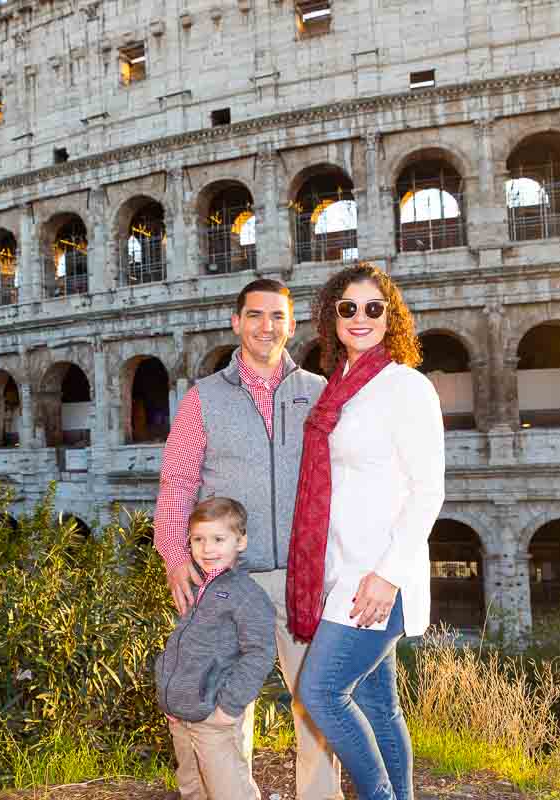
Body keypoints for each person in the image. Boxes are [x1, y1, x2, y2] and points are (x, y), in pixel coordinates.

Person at [155, 277, 339, 800]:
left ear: (292, 324)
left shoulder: (318, 392)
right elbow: (179, 480)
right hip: (227, 580)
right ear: (236, 323)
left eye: (277, 316)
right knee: (222, 705)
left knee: (316, 701)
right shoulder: (204, 398)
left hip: (304, 577)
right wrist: (173, 557)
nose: (267, 326)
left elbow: (338, 478)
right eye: (255, 315)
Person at [287, 262, 446, 800]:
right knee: (379, 705)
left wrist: (387, 574)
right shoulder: (343, 389)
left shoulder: (406, 386)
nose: (360, 317)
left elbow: (429, 491)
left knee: (322, 690)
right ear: (332, 317)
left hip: (377, 577)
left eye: (373, 308)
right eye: (348, 308)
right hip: (343, 572)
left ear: (390, 317)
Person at [155, 497, 276, 800]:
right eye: (198, 539)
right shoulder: (195, 586)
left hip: (214, 717)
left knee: (229, 791)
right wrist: (169, 695)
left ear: (241, 541)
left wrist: (229, 707)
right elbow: (182, 645)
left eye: (218, 539)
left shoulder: (247, 595)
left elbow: (259, 654)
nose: (207, 549)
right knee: (191, 786)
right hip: (180, 715)